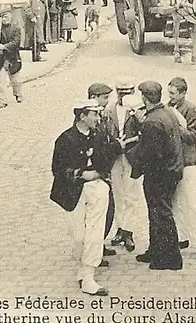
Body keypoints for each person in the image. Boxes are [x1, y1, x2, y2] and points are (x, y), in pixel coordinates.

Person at [49, 100, 113, 296]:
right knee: (79, 236)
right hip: (73, 191)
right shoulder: (65, 139)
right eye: (94, 114)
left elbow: (106, 160)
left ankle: (88, 276)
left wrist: (99, 175)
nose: (97, 118)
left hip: (97, 189)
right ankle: (83, 268)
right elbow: (57, 169)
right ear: (82, 116)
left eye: (98, 114)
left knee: (95, 232)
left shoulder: (100, 136)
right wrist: (79, 173)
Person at [125, 81, 185, 270]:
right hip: (171, 170)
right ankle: (156, 250)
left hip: (160, 174)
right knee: (157, 212)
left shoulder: (152, 122)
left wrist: (136, 169)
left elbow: (149, 154)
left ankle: (170, 258)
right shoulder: (165, 112)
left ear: (144, 98)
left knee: (161, 214)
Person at [167, 77, 196, 260]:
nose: (170, 97)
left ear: (183, 93)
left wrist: (176, 126)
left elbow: (193, 136)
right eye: (169, 93)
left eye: (173, 94)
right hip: (172, 161)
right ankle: (180, 236)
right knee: (174, 201)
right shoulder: (167, 108)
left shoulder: (191, 109)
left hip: (187, 161)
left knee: (191, 202)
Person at [102, 79, 143, 253]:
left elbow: (144, 132)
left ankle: (129, 231)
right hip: (115, 157)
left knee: (131, 194)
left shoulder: (137, 110)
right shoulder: (109, 110)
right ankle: (120, 228)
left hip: (132, 155)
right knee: (118, 193)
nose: (124, 96)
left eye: (127, 92)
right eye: (121, 92)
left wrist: (131, 140)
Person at [0, 9, 24, 108]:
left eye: (6, 17)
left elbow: (16, 42)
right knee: (0, 81)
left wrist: (4, 46)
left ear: (11, 16)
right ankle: (2, 100)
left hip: (13, 57)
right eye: (3, 17)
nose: (5, 19)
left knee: (16, 80)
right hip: (1, 58)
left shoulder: (16, 28)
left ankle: (18, 94)